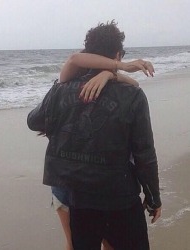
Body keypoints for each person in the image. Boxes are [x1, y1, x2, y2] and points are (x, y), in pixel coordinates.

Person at [27, 20, 162, 250]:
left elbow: (34, 121)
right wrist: (152, 197)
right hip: (119, 197)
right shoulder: (132, 96)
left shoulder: (61, 88)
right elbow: (144, 155)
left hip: (78, 197)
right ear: (118, 55)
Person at [52, 52, 155, 250]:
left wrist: (110, 74)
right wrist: (120, 67)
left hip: (66, 179)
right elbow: (74, 59)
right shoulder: (71, 79)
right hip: (86, 185)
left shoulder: (65, 87)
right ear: (116, 54)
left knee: (74, 243)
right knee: (106, 241)